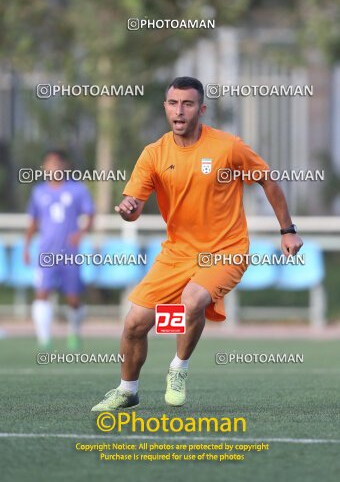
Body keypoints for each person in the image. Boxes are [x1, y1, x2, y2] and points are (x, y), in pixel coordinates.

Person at [91, 76, 303, 411]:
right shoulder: (153, 155)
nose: (180, 110)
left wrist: (287, 230)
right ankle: (127, 389)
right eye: (173, 103)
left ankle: (178, 368)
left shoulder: (227, 147)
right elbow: (132, 206)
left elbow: (268, 180)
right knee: (134, 324)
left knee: (192, 300)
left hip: (226, 249)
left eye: (188, 104)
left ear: (200, 109)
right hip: (177, 253)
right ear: (165, 108)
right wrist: (128, 210)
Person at [24, 149, 95, 350]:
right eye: (48, 164)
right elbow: (33, 221)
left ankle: (74, 331)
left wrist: (80, 233)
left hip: (70, 253)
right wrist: (27, 246)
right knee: (42, 292)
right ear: (44, 167)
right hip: (45, 252)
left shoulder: (77, 189)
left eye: (56, 163)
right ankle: (43, 339)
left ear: (64, 165)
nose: (52, 167)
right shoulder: (39, 191)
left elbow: (90, 214)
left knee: (73, 298)